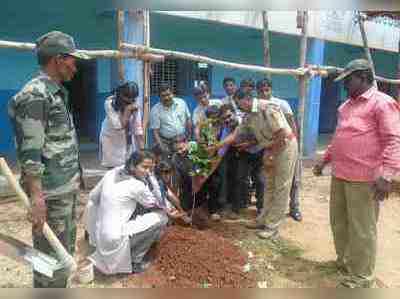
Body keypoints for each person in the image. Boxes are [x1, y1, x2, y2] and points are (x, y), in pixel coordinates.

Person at [8, 31, 89, 288]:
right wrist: (36, 197)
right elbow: (30, 153)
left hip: (63, 190)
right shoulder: (36, 95)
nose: (75, 66)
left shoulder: (55, 93)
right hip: (50, 195)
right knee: (48, 263)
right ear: (57, 60)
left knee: (61, 256)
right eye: (72, 60)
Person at [313, 59, 400, 288]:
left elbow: (394, 140)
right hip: (340, 174)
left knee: (362, 229)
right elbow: (339, 137)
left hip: (365, 179)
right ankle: (345, 262)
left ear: (363, 77)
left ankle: (362, 277)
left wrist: (387, 176)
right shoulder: (345, 106)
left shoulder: (382, 103)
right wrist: (324, 160)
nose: (344, 85)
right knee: (339, 222)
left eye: (348, 80)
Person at [85, 151, 185, 274]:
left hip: (100, 236)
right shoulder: (137, 186)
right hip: (114, 242)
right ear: (132, 165)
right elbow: (156, 205)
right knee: (162, 218)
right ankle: (135, 260)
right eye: (144, 167)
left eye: (151, 168)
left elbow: (93, 197)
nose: (148, 172)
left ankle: (91, 236)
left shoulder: (111, 173)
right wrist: (171, 213)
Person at [215, 90, 298, 239]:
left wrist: (271, 154)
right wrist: (216, 146)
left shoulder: (267, 108)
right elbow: (236, 135)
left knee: (281, 187)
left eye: (239, 104)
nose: (238, 108)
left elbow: (281, 133)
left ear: (247, 99)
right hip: (271, 148)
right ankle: (263, 219)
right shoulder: (249, 115)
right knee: (269, 186)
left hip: (285, 147)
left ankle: (272, 227)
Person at [256, 78, 302, 222]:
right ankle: (268, 213)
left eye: (267, 89)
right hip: (272, 147)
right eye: (262, 90)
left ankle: (294, 208)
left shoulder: (281, 104)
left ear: (271, 89)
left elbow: (292, 124)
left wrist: (295, 145)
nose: (265, 92)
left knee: (292, 180)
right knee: (271, 182)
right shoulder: (260, 107)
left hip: (287, 145)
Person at [99, 81, 144, 168]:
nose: (130, 101)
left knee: (127, 167)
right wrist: (127, 111)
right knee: (112, 169)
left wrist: (142, 150)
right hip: (110, 139)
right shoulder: (109, 103)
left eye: (133, 99)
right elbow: (118, 126)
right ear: (121, 94)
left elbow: (137, 129)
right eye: (127, 99)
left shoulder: (134, 105)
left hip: (126, 139)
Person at [150, 83, 192, 154]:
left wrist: (189, 137)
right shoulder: (155, 110)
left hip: (182, 140)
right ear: (159, 97)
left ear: (173, 94)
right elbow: (155, 132)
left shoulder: (182, 103)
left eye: (168, 94)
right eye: (163, 96)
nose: (166, 98)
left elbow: (188, 119)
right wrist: (162, 146)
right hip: (166, 142)